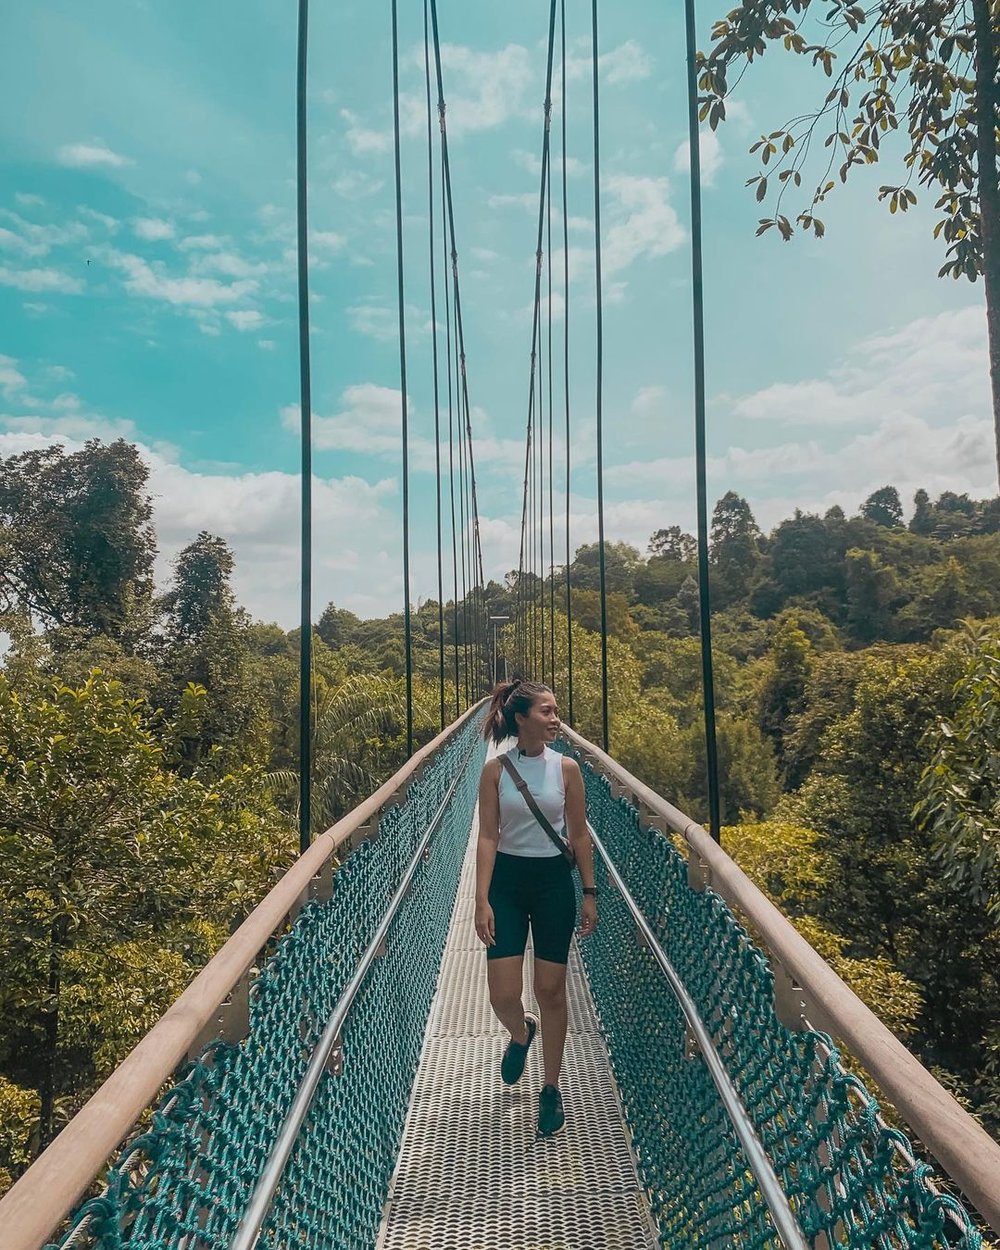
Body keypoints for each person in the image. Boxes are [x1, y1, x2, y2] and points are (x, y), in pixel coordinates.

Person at [475, 678, 598, 1137]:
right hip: (506, 884)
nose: (555, 718)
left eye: (555, 710)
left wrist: (589, 892)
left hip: (552, 884)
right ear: (521, 718)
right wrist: (481, 899)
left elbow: (579, 834)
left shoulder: (567, 769)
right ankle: (521, 1032)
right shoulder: (494, 772)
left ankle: (550, 1088)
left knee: (550, 991)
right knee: (501, 995)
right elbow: (488, 836)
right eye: (546, 711)